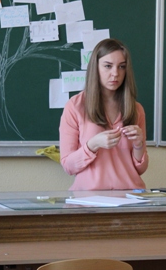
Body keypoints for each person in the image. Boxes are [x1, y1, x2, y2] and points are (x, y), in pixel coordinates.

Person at [59, 38, 148, 190]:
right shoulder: (75, 106)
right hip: (88, 198)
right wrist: (92, 145)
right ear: (96, 67)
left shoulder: (136, 109)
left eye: (122, 67)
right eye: (108, 66)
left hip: (130, 196)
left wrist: (139, 145)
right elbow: (68, 166)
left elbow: (140, 169)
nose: (115, 73)